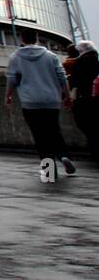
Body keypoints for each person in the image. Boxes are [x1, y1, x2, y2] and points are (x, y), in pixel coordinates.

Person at [6, 28, 75, 183]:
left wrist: (8, 95)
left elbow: (12, 79)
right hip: (51, 100)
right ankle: (63, 155)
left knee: (40, 135)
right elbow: (62, 77)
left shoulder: (15, 57)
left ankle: (50, 171)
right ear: (37, 38)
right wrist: (67, 96)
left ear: (22, 39)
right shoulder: (51, 56)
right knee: (53, 129)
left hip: (30, 102)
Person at [69, 40, 98, 161]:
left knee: (87, 125)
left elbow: (74, 82)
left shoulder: (79, 63)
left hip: (84, 99)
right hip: (96, 98)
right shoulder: (96, 60)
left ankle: (95, 151)